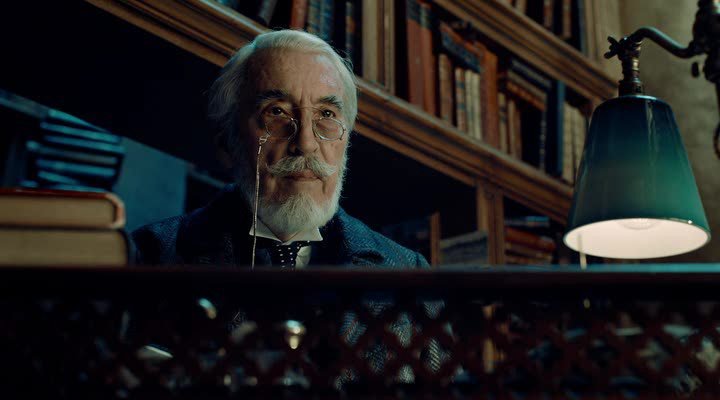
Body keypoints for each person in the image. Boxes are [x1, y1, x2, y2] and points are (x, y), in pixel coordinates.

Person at [131, 29, 429, 269]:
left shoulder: (409, 273)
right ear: (226, 144)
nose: (306, 144)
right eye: (276, 112)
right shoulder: (148, 256)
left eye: (326, 114)